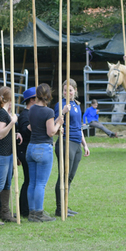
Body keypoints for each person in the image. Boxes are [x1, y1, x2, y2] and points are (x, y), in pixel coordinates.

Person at [27, 83, 68, 223]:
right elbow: (50, 132)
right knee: (40, 184)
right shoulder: (48, 111)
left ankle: (32, 212)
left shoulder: (32, 109)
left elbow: (33, 127)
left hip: (31, 147)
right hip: (43, 148)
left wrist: (56, 122)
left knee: (32, 182)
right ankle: (39, 213)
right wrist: (59, 122)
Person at [54, 79, 90, 218]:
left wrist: (85, 144)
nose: (67, 92)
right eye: (64, 90)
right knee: (63, 176)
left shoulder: (76, 105)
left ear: (75, 90)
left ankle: (65, 205)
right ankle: (60, 208)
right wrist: (62, 112)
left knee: (69, 177)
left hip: (76, 144)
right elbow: (56, 123)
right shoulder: (61, 104)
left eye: (69, 90)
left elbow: (79, 127)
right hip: (65, 142)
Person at [0, 87, 22, 226]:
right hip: (0, 153)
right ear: (10, 99)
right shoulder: (1, 113)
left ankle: (5, 212)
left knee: (7, 183)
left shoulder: (5, 113)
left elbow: (5, 134)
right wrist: (13, 122)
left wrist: (14, 134)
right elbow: (0, 134)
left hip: (7, 153)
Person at [17, 87, 36, 218]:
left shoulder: (31, 113)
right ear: (32, 100)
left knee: (30, 180)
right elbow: (24, 131)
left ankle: (29, 207)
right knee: (28, 180)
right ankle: (24, 209)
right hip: (25, 151)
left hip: (29, 150)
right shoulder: (25, 115)